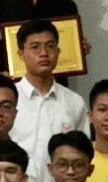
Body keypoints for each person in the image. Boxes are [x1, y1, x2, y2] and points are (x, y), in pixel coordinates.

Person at [9, 17, 86, 162]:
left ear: (58, 51)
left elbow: (83, 152)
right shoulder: (8, 100)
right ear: (20, 54)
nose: (44, 53)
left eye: (50, 46)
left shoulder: (74, 101)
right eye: (35, 47)